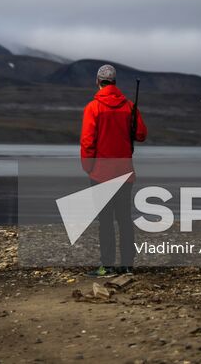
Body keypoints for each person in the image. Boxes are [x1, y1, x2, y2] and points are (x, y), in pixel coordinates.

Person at [80, 63, 147, 276]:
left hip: (100, 174)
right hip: (125, 173)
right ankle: (127, 265)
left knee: (106, 221)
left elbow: (88, 141)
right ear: (115, 82)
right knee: (125, 220)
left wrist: (88, 167)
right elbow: (142, 135)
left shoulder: (93, 107)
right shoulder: (129, 106)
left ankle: (107, 266)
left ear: (98, 81)